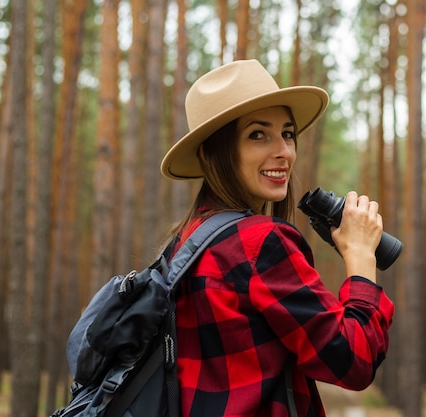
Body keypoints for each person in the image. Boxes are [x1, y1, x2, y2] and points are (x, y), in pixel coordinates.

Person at [159, 59, 394, 417]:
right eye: (258, 134)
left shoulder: (183, 244)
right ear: (213, 154)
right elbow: (353, 360)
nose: (283, 151)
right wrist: (361, 258)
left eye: (287, 133)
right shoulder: (259, 243)